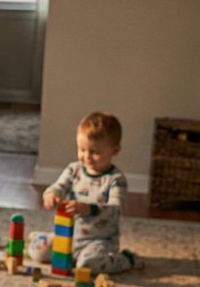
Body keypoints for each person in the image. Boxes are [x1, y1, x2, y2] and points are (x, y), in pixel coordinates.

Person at [37, 111, 142, 274]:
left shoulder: (116, 179)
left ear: (115, 150)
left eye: (95, 152)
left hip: (99, 241)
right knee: (38, 252)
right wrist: (50, 194)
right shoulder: (74, 170)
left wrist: (89, 209)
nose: (87, 156)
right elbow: (58, 186)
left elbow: (115, 210)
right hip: (69, 235)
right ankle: (46, 239)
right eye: (81, 149)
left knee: (86, 266)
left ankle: (126, 259)